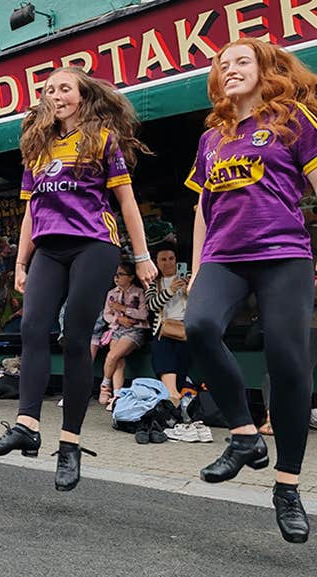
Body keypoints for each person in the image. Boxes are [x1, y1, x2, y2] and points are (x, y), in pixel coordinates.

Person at [0, 66, 156, 492]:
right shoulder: (37, 147)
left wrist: (142, 256)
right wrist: (21, 263)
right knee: (32, 329)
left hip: (94, 244)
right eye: (49, 90)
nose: (56, 95)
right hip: (49, 250)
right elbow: (29, 212)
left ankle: (70, 444)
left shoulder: (102, 139)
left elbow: (127, 202)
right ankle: (26, 426)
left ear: (83, 96)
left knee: (76, 338)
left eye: (64, 88)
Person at [183, 38, 317, 543]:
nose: (231, 69)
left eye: (242, 61)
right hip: (224, 255)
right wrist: (198, 265)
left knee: (288, 360)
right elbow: (201, 207)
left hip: (284, 254)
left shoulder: (293, 119)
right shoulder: (211, 138)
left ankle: (287, 486)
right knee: (198, 326)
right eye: (223, 64)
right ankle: (243, 436)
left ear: (265, 70)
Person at [98, 261, 150, 409]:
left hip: (135, 330)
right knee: (118, 360)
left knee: (112, 356)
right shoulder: (112, 293)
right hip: (116, 329)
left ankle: (104, 386)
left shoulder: (139, 292)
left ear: (131, 277)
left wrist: (123, 309)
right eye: (115, 275)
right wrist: (119, 319)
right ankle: (117, 395)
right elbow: (106, 314)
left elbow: (143, 314)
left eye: (121, 274)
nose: (116, 278)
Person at [145, 244, 191, 404]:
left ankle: (174, 395)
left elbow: (202, 301)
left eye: (171, 258)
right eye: (163, 259)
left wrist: (189, 289)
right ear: (157, 262)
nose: (168, 263)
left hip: (185, 327)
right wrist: (170, 290)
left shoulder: (188, 278)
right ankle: (172, 394)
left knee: (182, 357)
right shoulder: (153, 283)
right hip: (164, 328)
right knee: (162, 349)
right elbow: (151, 305)